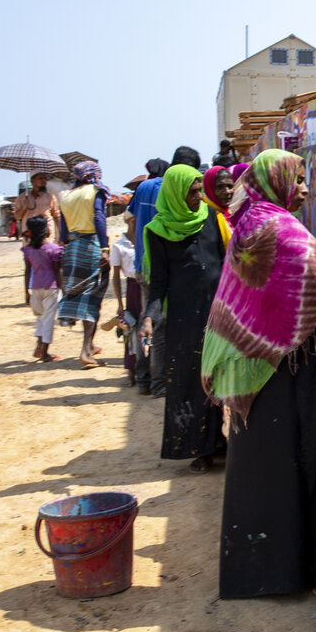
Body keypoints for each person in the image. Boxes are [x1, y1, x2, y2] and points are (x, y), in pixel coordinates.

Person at [203, 149, 316, 598]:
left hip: (255, 367)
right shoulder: (279, 227)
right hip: (294, 365)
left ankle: (262, 571)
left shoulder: (247, 220)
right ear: (275, 181)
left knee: (266, 469)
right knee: (311, 459)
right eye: (297, 179)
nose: (304, 188)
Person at [140, 165, 226, 473]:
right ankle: (200, 448)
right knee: (192, 383)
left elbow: (226, 265)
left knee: (221, 378)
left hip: (218, 316)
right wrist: (149, 317)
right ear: (176, 194)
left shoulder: (213, 220)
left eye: (200, 190)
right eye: (192, 192)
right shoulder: (158, 231)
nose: (199, 197)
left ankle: (223, 442)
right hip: (184, 321)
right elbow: (158, 283)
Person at [55, 161, 110, 368]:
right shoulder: (96, 191)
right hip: (91, 244)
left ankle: (91, 344)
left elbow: (63, 231)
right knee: (92, 296)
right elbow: (99, 217)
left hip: (73, 247)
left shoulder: (67, 197)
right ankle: (86, 350)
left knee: (79, 292)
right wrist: (104, 248)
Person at [128, 159, 170, 395]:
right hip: (158, 265)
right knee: (158, 325)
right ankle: (158, 382)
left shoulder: (142, 188)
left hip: (141, 263)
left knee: (145, 320)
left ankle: (142, 378)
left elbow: (131, 219)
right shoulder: (165, 186)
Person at [21, 215, 63, 362]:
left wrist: (26, 291)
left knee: (40, 318)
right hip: (51, 288)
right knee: (49, 320)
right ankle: (45, 352)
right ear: (47, 230)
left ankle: (39, 346)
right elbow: (58, 271)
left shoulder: (28, 250)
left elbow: (27, 272)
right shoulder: (54, 249)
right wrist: (63, 288)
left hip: (35, 287)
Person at [108, 221, 140, 385]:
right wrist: (120, 303)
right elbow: (115, 276)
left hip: (147, 286)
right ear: (129, 221)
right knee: (130, 329)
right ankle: (130, 370)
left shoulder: (144, 239)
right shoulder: (119, 246)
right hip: (132, 289)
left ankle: (146, 370)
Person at [199, 165, 236, 248]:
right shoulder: (206, 217)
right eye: (220, 187)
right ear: (209, 189)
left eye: (230, 186)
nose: (227, 191)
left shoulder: (227, 213)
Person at [16, 172, 61, 242]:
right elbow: (17, 217)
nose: (44, 181)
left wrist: (61, 235)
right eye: (40, 178)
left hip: (47, 235)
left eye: (45, 178)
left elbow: (56, 216)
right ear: (32, 181)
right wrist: (24, 207)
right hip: (29, 235)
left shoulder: (50, 197)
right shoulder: (22, 197)